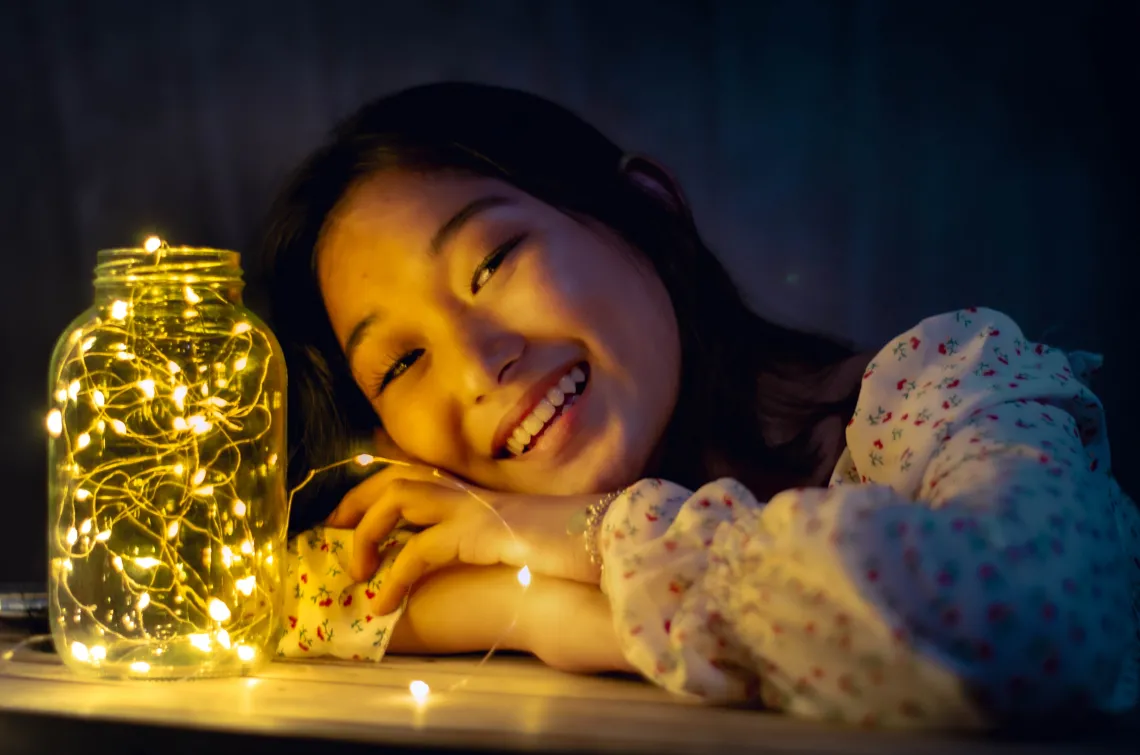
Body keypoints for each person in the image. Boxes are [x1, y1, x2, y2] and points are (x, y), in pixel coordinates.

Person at [257, 81, 1138, 728]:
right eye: (403, 359)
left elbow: (1037, 614)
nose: (479, 365)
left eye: (492, 264)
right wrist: (537, 609)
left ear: (647, 212)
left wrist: (589, 532)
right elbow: (279, 593)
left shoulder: (944, 385)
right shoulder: (464, 523)